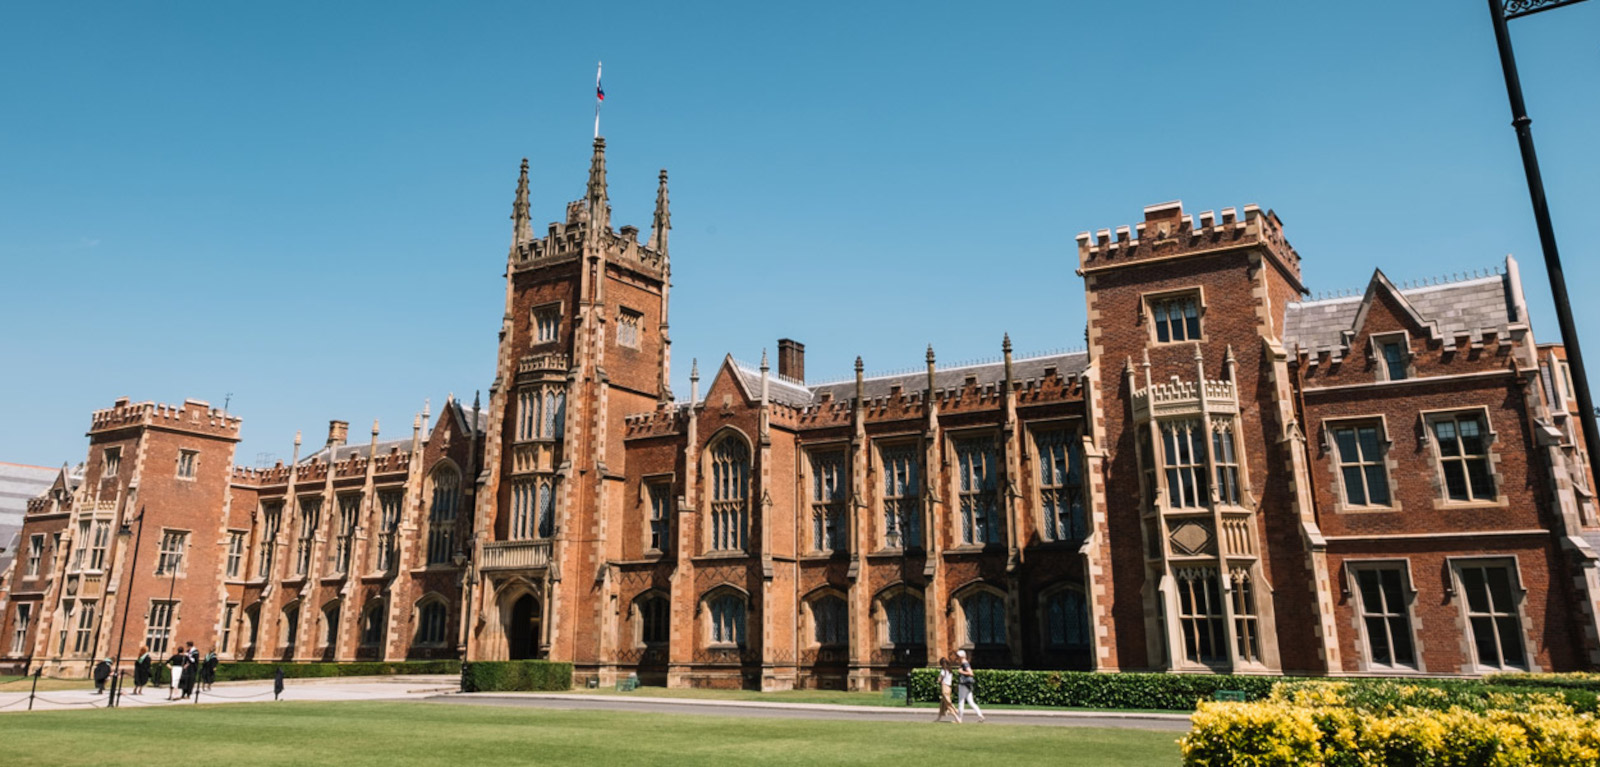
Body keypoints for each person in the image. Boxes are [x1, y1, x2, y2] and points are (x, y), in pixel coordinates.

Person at [955, 649, 985, 723]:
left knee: (961, 701)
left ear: (961, 657)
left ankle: (959, 719)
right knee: (971, 701)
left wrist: (961, 671)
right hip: (967, 685)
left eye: (958, 656)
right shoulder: (965, 663)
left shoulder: (964, 664)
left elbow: (971, 673)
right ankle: (980, 715)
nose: (956, 658)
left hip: (963, 684)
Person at [934, 656, 961, 724]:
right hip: (949, 688)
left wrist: (938, 679)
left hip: (944, 687)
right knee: (942, 704)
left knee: (948, 704)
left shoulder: (943, 671)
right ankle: (939, 718)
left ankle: (957, 718)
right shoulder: (950, 671)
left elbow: (939, 679)